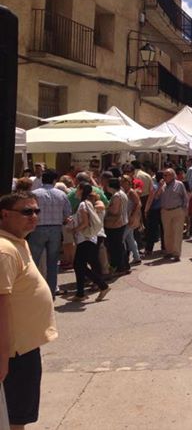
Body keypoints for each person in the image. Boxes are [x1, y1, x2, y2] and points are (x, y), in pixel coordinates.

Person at [0, 192, 58, 429]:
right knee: (14, 418)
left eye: (36, 211)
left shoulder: (16, 242)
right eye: (26, 212)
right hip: (13, 354)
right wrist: (3, 357)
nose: (33, 216)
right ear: (4, 215)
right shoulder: (4, 250)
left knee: (18, 415)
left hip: (23, 349)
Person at [27, 169, 71, 297]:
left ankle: (32, 290)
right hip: (55, 229)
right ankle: (51, 291)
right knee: (53, 261)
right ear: (54, 180)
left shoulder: (34, 194)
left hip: (38, 228)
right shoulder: (61, 194)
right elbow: (67, 214)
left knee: (33, 261)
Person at [69, 182, 110, 302]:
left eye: (77, 189)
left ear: (81, 190)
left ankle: (102, 286)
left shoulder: (83, 204)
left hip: (85, 238)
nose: (76, 191)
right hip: (88, 238)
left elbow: (85, 223)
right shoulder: (87, 203)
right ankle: (80, 293)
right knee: (79, 265)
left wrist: (74, 229)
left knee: (79, 265)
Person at [156, 168, 188, 262]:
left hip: (177, 210)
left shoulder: (179, 184)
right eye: (164, 175)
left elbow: (185, 198)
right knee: (167, 232)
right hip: (165, 211)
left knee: (177, 232)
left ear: (173, 176)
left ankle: (176, 253)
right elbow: (157, 197)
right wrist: (159, 187)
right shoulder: (163, 185)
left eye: (167, 175)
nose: (164, 177)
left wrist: (184, 211)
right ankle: (169, 251)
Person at [104, 177, 130, 275]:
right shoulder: (121, 193)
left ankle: (119, 267)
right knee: (119, 245)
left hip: (116, 224)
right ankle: (124, 265)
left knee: (115, 247)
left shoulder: (116, 196)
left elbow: (115, 211)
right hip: (121, 223)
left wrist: (106, 208)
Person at [120, 175, 142, 265]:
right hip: (125, 218)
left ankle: (124, 259)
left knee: (122, 238)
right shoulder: (122, 191)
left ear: (128, 183)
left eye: (124, 182)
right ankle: (137, 257)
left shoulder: (131, 192)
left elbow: (138, 204)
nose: (122, 183)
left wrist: (133, 216)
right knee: (130, 238)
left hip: (130, 218)